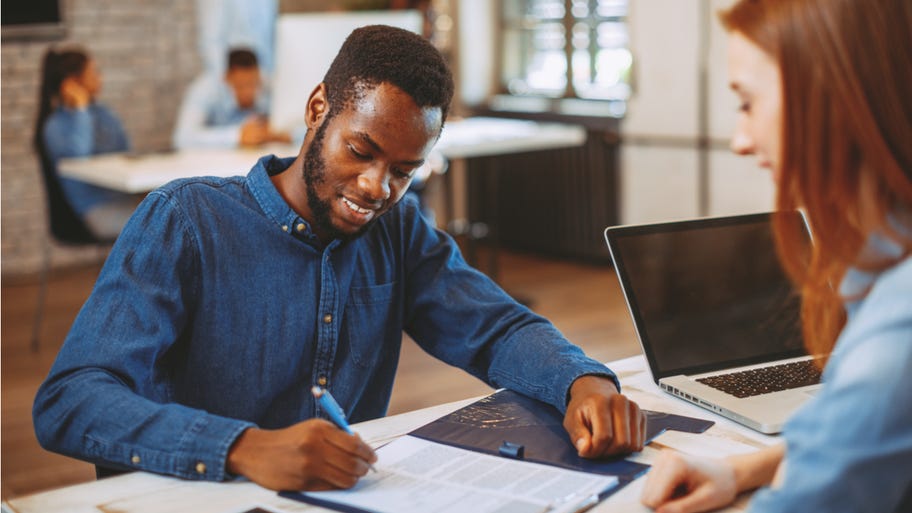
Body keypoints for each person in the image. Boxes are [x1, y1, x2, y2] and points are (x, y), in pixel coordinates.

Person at [34, 25, 647, 492]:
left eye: (404, 171)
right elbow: (72, 399)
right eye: (362, 150)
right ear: (316, 109)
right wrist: (241, 448)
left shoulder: (398, 228)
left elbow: (495, 327)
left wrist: (580, 380)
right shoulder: (186, 221)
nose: (378, 187)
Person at [640, 1, 912, 512]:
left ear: (831, 99)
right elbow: (859, 429)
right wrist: (739, 469)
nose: (741, 141)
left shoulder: (900, 324)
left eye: (747, 103)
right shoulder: (880, 255)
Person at [34, 47, 141, 240]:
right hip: (93, 209)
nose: (100, 78)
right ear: (73, 82)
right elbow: (79, 158)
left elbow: (126, 152)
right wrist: (81, 109)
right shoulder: (54, 126)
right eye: (93, 72)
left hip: (123, 199)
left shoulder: (104, 113)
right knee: (159, 225)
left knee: (173, 214)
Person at [171, 47, 289, 150]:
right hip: (213, 165)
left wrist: (280, 135)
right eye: (241, 86)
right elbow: (183, 138)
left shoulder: (268, 86)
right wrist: (236, 136)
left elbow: (297, 126)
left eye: (253, 84)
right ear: (227, 78)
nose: (249, 92)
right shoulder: (206, 90)